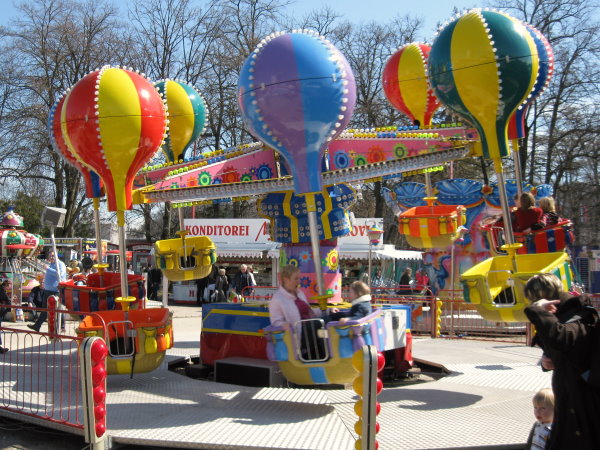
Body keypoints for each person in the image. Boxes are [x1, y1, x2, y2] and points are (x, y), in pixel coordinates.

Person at [524, 273, 600, 449]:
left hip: (584, 399)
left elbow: (561, 339)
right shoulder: (561, 314)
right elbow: (556, 347)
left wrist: (538, 312)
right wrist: (546, 359)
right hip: (569, 397)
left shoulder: (578, 314)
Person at [269, 265, 325, 360]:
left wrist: (327, 310)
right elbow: (275, 321)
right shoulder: (278, 299)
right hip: (299, 334)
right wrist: (283, 324)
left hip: (310, 330)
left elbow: (310, 312)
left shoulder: (300, 293)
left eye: (299, 278)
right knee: (318, 323)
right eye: (296, 279)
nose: (299, 281)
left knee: (332, 317)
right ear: (286, 279)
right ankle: (322, 354)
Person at [28, 251, 67, 333]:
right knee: (45, 309)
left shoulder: (60, 264)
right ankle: (37, 325)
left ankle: (62, 326)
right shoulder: (51, 265)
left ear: (57, 256)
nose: (51, 257)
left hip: (56, 291)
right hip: (48, 290)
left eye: (53, 256)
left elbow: (60, 274)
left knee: (59, 308)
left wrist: (48, 269)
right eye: (50, 256)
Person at [0, 280, 11, 353]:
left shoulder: (2, 290)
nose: (10, 288)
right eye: (9, 286)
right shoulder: (1, 290)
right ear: (7, 285)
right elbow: (7, 300)